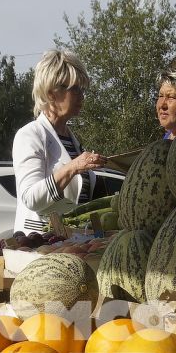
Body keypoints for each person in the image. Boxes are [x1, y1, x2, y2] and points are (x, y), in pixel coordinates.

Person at [12, 49, 107, 234]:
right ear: (51, 93)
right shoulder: (30, 135)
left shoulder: (72, 139)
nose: (82, 96)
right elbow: (31, 198)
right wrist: (73, 167)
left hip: (69, 243)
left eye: (83, 89)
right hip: (39, 244)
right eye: (75, 88)